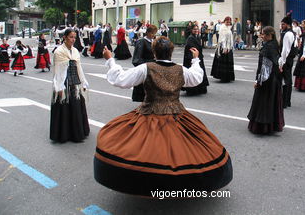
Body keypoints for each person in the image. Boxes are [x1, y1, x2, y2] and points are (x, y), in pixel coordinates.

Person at [94, 38, 232, 196]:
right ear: (171, 52)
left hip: (150, 112)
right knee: (180, 149)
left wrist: (110, 60)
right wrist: (195, 60)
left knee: (148, 149)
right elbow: (196, 78)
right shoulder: (180, 69)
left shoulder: (146, 68)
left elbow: (121, 79)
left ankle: (150, 181)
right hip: (176, 113)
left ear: (154, 52)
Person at [50, 29, 89, 143]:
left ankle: (77, 133)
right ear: (65, 37)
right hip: (64, 83)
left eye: (74, 37)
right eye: (71, 37)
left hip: (75, 82)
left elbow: (79, 68)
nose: (73, 39)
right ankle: (64, 135)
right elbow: (57, 72)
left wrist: (83, 82)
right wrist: (59, 87)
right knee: (64, 109)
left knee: (76, 107)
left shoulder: (76, 51)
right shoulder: (59, 52)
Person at [247, 26, 284, 135]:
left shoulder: (268, 47)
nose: (261, 36)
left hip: (267, 80)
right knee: (271, 101)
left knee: (264, 101)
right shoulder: (274, 45)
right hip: (274, 79)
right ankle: (271, 125)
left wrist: (258, 81)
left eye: (263, 34)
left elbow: (265, 67)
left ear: (269, 35)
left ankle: (262, 126)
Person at [131, 25, 157, 102]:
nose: (153, 35)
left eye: (154, 33)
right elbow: (137, 59)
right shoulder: (141, 42)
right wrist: (149, 63)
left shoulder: (153, 42)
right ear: (147, 33)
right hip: (145, 67)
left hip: (152, 67)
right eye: (152, 33)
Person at [183, 24, 209, 95]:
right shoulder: (190, 38)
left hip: (198, 56)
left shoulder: (197, 37)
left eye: (197, 29)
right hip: (193, 58)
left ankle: (199, 88)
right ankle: (194, 89)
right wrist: (194, 58)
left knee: (199, 72)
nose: (196, 30)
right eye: (194, 29)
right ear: (191, 30)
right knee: (195, 73)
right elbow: (191, 49)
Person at [279, 14, 297, 109]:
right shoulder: (293, 33)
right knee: (288, 80)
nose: (281, 26)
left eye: (283, 24)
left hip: (286, 60)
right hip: (290, 59)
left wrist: (282, 63)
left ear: (287, 24)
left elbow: (285, 50)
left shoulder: (287, 34)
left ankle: (284, 102)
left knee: (285, 81)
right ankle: (287, 101)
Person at [211, 16, 235, 82]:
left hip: (228, 46)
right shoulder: (222, 27)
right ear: (224, 21)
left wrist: (230, 47)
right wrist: (225, 48)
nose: (228, 23)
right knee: (224, 61)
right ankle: (223, 77)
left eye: (229, 22)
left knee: (228, 61)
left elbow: (230, 38)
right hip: (223, 47)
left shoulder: (228, 28)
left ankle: (228, 77)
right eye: (227, 22)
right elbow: (222, 39)